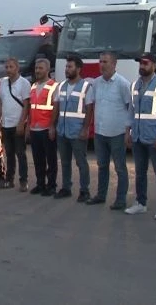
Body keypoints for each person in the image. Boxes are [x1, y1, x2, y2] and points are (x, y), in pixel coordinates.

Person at [125, 53, 156, 220]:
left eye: (145, 63)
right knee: (139, 172)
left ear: (154, 65)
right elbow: (131, 111)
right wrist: (128, 132)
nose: (142, 66)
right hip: (138, 136)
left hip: (154, 136)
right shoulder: (135, 85)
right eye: (140, 63)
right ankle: (140, 203)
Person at [86, 51, 131, 210]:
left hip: (117, 133)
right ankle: (100, 195)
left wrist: (128, 132)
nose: (102, 65)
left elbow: (129, 108)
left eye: (105, 62)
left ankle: (120, 199)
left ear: (114, 64)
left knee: (120, 167)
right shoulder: (96, 83)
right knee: (102, 165)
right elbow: (90, 105)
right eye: (100, 62)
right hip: (100, 132)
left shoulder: (122, 84)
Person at [53, 55, 93, 201]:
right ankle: (66, 188)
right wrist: (53, 126)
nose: (67, 69)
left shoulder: (85, 87)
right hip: (62, 130)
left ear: (78, 69)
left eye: (70, 67)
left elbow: (89, 109)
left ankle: (84, 190)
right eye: (66, 67)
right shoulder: (61, 86)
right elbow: (56, 107)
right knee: (64, 161)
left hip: (77, 131)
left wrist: (85, 128)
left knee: (81, 162)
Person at [0, 57, 31, 191]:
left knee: (20, 154)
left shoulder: (24, 83)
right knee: (9, 153)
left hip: (18, 125)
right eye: (7, 67)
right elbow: (0, 103)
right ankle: (9, 179)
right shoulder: (4, 83)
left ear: (17, 68)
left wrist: (22, 123)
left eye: (11, 67)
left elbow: (27, 105)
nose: (8, 70)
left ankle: (23, 181)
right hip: (6, 124)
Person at [25, 58, 59, 196]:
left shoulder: (53, 86)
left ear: (47, 70)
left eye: (40, 68)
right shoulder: (33, 86)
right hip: (34, 128)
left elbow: (55, 108)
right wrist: (28, 126)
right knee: (38, 159)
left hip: (46, 128)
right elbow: (31, 108)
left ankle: (51, 185)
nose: (37, 71)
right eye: (36, 68)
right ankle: (40, 184)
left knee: (50, 159)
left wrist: (52, 127)